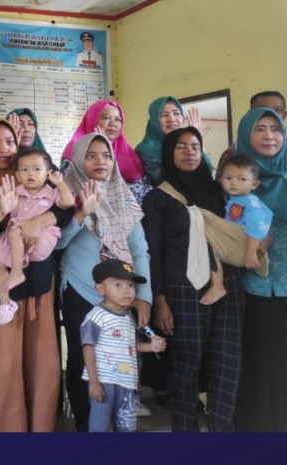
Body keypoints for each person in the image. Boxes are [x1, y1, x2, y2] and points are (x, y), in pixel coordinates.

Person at [0, 118, 73, 432]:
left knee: (41, 365)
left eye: (9, 142)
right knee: (2, 367)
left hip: (39, 284)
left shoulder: (35, 177)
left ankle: (40, 433)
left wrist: (40, 222)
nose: (4, 149)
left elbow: (66, 210)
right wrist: (1, 213)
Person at [141, 126, 245, 432]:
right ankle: (184, 434)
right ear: (169, 153)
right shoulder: (158, 198)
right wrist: (159, 298)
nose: (190, 152)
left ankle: (220, 433)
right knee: (186, 363)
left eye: (195, 147)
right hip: (183, 288)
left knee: (227, 361)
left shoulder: (219, 190)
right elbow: (153, 252)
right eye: (181, 147)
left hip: (229, 285)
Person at [56, 132, 152, 432]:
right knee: (82, 359)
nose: (101, 161)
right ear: (78, 159)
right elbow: (56, 244)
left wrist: (144, 295)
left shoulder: (123, 196)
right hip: (80, 289)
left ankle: (116, 423)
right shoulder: (65, 193)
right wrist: (81, 213)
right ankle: (86, 426)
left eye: (106, 155)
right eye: (92, 155)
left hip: (121, 293)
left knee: (120, 357)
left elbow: (139, 249)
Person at [233, 108, 287, 431]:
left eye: (275, 129)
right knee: (258, 361)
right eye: (260, 129)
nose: (269, 136)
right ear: (246, 136)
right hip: (251, 286)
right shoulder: (235, 179)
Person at [0, 149, 74, 325]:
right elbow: (5, 211)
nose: (31, 174)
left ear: (48, 173)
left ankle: (17, 272)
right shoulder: (16, 192)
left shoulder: (51, 193)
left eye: (37, 169)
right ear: (17, 175)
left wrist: (60, 184)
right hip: (16, 244)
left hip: (42, 241)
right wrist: (1, 200)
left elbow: (68, 203)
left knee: (14, 231)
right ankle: (5, 304)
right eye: (24, 170)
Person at [82, 259, 166, 433]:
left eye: (130, 285)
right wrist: (94, 382)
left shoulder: (127, 317)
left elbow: (129, 346)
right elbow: (87, 347)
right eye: (117, 285)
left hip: (126, 383)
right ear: (100, 289)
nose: (127, 290)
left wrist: (150, 347)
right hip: (105, 381)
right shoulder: (96, 316)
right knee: (100, 427)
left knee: (126, 426)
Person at [61, 100, 150, 203]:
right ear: (92, 120)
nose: (113, 124)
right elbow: (70, 189)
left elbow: (145, 190)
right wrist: (101, 147)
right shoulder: (75, 149)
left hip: (131, 215)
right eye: (106, 118)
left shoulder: (129, 154)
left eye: (118, 119)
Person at [135, 96, 210, 187]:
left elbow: (207, 172)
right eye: (164, 115)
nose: (172, 119)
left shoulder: (185, 145)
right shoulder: (147, 149)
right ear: (154, 121)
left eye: (176, 113)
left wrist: (196, 140)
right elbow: (165, 181)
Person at [218, 153, 273, 272]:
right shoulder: (231, 199)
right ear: (221, 180)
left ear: (254, 184)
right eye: (228, 178)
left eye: (242, 179)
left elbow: (256, 228)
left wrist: (250, 252)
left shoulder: (251, 204)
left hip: (248, 246)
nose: (233, 183)